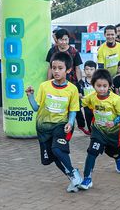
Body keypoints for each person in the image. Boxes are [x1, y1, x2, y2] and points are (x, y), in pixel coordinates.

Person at [26, 51, 82, 193]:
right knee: (52, 157)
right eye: (54, 68)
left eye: (60, 68)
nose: (56, 71)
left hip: (62, 124)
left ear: (68, 70)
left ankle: (73, 173)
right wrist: (30, 96)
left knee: (57, 149)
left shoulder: (72, 89)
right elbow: (36, 107)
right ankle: (73, 178)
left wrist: (70, 123)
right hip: (43, 127)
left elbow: (73, 109)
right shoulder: (44, 86)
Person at [79, 68, 120, 190]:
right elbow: (81, 103)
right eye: (98, 86)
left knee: (112, 152)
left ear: (109, 86)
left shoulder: (117, 100)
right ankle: (87, 178)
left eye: (104, 86)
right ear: (93, 85)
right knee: (92, 152)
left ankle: (118, 158)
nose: (101, 89)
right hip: (98, 131)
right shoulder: (91, 97)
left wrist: (114, 122)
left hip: (113, 133)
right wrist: (77, 97)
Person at [47, 28, 86, 132]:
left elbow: (77, 68)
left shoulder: (74, 52)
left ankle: (81, 125)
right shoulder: (52, 51)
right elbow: (50, 68)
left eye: (66, 39)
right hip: (57, 83)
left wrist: (79, 82)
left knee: (76, 104)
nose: (63, 42)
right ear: (57, 40)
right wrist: (47, 82)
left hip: (72, 82)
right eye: (61, 39)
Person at [78, 60, 98, 131]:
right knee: (88, 117)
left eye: (91, 69)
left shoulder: (97, 81)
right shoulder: (81, 82)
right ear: (84, 70)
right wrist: (80, 95)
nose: (89, 71)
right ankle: (90, 130)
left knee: (97, 117)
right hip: (86, 104)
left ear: (95, 70)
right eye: (87, 69)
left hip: (96, 103)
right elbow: (79, 92)